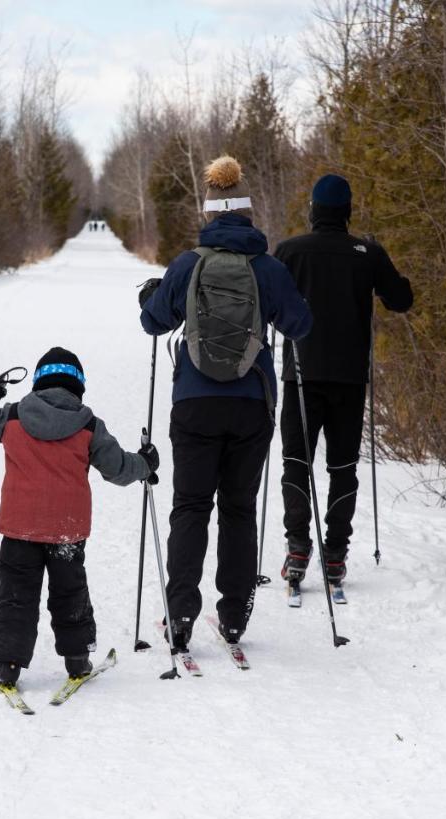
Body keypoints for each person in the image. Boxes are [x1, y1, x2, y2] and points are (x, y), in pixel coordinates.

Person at [138, 156, 312, 653]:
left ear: (209, 215)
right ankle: (233, 616)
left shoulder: (188, 264)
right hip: (251, 405)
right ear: (250, 215)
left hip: (194, 403)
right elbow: (300, 326)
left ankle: (181, 615)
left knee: (190, 507)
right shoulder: (268, 267)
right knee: (238, 509)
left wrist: (157, 296)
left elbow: (153, 323)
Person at [0, 347, 158, 686]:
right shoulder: (88, 425)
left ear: (38, 382)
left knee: (16, 595)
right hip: (66, 531)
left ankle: (8, 665)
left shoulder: (11, 416)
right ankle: (77, 659)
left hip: (19, 528)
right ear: (77, 386)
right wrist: (146, 463)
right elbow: (118, 469)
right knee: (70, 593)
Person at [273, 174, 413, 592]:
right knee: (342, 467)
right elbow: (401, 299)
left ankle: (298, 547)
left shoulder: (289, 251)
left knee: (296, 462)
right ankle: (335, 555)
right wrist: (375, 260)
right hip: (349, 379)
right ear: (348, 211)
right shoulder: (366, 252)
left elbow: (266, 303)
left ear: (313, 211)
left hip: (300, 375)